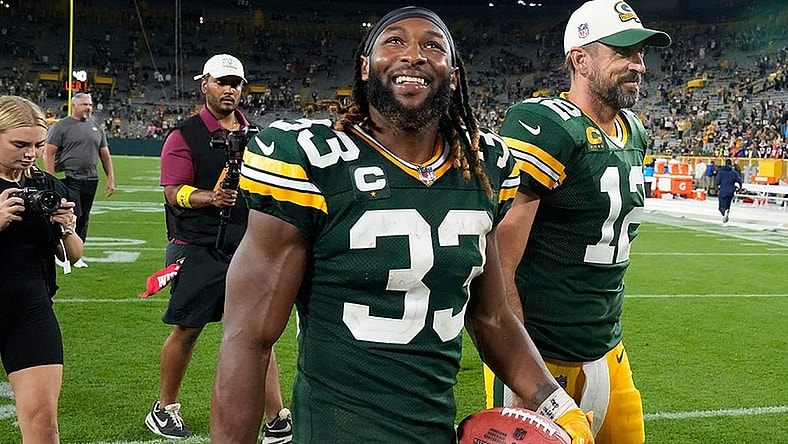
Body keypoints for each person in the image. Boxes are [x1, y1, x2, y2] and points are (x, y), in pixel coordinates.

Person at [211, 7, 593, 443]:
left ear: (452, 74)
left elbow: (491, 317)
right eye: (394, 41)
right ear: (364, 66)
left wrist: (557, 405)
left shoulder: (483, 166)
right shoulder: (310, 160)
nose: (413, 54)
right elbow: (247, 339)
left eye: (433, 45)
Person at [487, 1, 671, 443]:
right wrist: (523, 376)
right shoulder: (546, 125)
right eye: (623, 52)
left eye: (641, 52)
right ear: (580, 59)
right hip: (544, 358)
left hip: (608, 351)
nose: (638, 65)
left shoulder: (633, 131)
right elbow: (498, 262)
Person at [147, 54, 292, 442]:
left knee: (258, 332)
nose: (230, 90)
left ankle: (277, 415)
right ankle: (163, 408)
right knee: (188, 329)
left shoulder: (256, 135)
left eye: (236, 83)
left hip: (246, 244)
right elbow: (172, 191)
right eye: (222, 82)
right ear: (205, 84)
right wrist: (209, 198)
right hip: (196, 245)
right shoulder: (184, 135)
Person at [0, 95, 83, 443]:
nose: (31, 153)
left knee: (43, 425)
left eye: (37, 144)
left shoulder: (46, 187)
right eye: (19, 144)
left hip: (29, 310)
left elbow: (75, 255)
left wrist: (65, 226)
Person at [43, 92, 115, 267]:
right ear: (74, 105)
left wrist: (111, 178)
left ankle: (77, 252)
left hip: (91, 178)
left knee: (84, 217)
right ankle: (62, 251)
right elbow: (49, 152)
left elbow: (105, 156)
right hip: (70, 177)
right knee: (73, 214)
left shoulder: (97, 127)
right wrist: (51, 179)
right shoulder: (62, 126)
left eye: (90, 104)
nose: (88, 107)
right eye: (84, 104)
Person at [715, 159, 742, 225]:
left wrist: (717, 187)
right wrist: (739, 188)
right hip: (731, 191)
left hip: (723, 190)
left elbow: (717, 182)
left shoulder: (721, 172)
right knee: (727, 205)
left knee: (721, 207)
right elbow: (739, 181)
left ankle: (724, 213)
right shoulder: (734, 173)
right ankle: (726, 214)